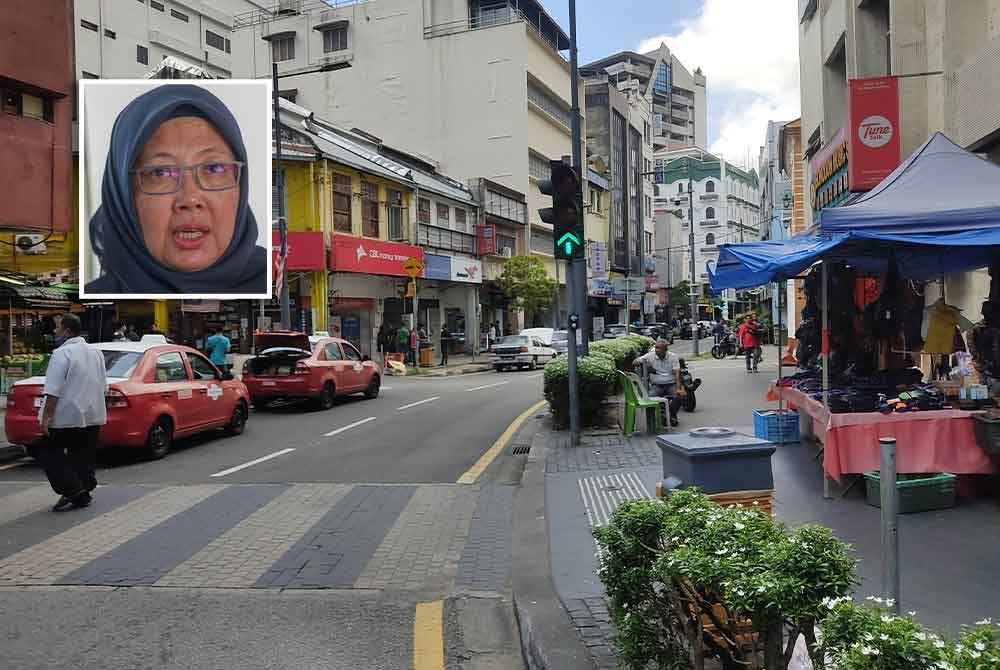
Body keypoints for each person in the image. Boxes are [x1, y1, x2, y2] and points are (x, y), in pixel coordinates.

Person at [84, 84, 266, 295]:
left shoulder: (273, 284)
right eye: (161, 173)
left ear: (240, 187)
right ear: (123, 197)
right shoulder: (98, 299)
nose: (190, 199)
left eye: (213, 168)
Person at [31, 314, 108, 512]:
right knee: (82, 454)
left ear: (66, 330)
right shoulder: (96, 353)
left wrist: (46, 418)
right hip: (93, 414)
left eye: (57, 328)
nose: (54, 331)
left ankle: (75, 491)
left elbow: (53, 390)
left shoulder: (61, 353)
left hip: (67, 416)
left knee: (46, 452)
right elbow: (103, 386)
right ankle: (84, 487)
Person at [633, 339, 685, 428]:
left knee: (680, 396)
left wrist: (678, 388)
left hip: (670, 383)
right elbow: (634, 362)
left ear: (665, 350)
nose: (656, 350)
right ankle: (664, 416)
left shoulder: (673, 357)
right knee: (651, 398)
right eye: (656, 347)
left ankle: (671, 415)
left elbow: (677, 373)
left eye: (659, 348)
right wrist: (646, 364)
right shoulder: (650, 356)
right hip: (657, 385)